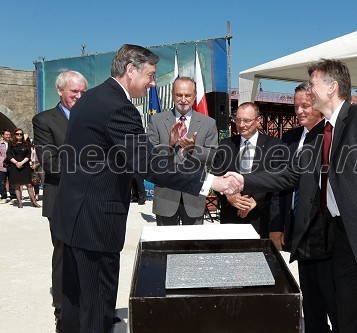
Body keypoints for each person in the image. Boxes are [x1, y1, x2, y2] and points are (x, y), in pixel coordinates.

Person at [50, 44, 241, 332]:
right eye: (150, 75)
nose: (153, 83)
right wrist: (211, 181)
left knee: (76, 305)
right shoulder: (118, 106)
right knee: (97, 310)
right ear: (130, 70)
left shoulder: (91, 99)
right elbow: (149, 164)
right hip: (95, 224)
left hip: (74, 218)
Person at [237, 59, 357, 333]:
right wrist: (242, 179)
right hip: (341, 240)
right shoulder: (319, 136)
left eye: (312, 85)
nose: (308, 92)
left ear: (332, 87)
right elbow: (290, 176)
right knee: (350, 319)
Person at [269, 83, 336, 333]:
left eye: (305, 105)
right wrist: (277, 226)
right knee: (310, 298)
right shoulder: (289, 138)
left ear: (318, 105)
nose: (299, 111)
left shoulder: (330, 136)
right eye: (296, 106)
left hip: (325, 230)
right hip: (299, 229)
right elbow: (279, 184)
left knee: (332, 295)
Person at [32, 69, 88, 331]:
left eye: (82, 92)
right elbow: (50, 163)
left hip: (91, 200)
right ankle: (62, 311)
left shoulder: (90, 118)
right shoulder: (44, 120)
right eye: (73, 91)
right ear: (60, 91)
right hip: (61, 201)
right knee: (64, 257)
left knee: (91, 255)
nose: (78, 96)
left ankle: (91, 308)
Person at [148, 77, 218, 225]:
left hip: (193, 198)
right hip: (165, 196)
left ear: (194, 96)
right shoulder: (157, 121)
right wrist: (169, 144)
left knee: (193, 246)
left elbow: (214, 157)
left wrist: (194, 150)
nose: (183, 99)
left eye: (188, 95)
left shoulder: (208, 123)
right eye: (179, 95)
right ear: (173, 95)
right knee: (165, 246)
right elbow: (150, 158)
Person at [212, 102, 281, 238]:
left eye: (247, 120)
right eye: (238, 120)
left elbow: (276, 180)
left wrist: (255, 201)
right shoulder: (226, 144)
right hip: (230, 218)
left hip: (260, 218)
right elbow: (216, 176)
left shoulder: (274, 145)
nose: (241, 125)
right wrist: (230, 196)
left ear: (258, 120)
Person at [6, 128, 41, 208]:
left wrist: (21, 163)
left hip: (25, 165)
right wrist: (16, 163)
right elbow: (9, 155)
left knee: (29, 184)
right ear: (14, 135)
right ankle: (19, 202)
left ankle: (34, 202)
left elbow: (28, 155)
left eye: (21, 134)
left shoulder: (26, 144)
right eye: (17, 134)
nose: (19, 135)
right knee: (17, 185)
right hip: (14, 165)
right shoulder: (11, 143)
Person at [0, 129, 17, 203]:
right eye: (6, 134)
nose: (8, 136)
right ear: (3, 135)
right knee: (2, 182)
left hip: (12, 164)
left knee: (12, 181)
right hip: (1, 164)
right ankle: (4, 197)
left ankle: (13, 197)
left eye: (9, 135)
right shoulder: (0, 143)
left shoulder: (13, 143)